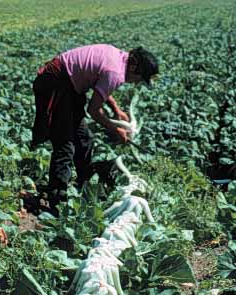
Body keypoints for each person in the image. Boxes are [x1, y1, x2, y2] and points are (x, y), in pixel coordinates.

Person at [31, 44, 159, 215]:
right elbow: (94, 111)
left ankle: (84, 187)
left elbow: (102, 85)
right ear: (135, 67)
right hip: (56, 82)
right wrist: (115, 129)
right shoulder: (115, 71)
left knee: (84, 139)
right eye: (139, 79)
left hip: (70, 85)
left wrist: (116, 110)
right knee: (65, 144)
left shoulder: (119, 58)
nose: (136, 83)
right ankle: (56, 201)